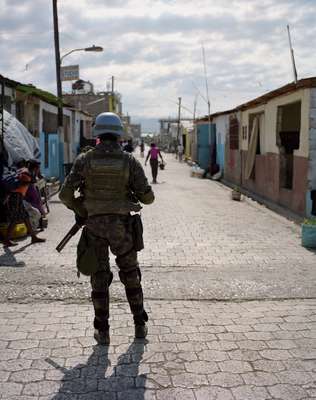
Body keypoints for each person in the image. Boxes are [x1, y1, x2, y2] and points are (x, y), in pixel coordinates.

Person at [59, 112, 155, 345]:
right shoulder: (129, 161)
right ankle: (139, 325)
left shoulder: (84, 160)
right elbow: (148, 198)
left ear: (97, 133)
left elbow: (64, 195)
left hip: (94, 227)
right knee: (131, 274)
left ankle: (102, 332)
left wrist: (82, 210)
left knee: (99, 278)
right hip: (122, 228)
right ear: (119, 133)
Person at [3, 166, 46, 247]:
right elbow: (25, 183)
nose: (38, 169)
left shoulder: (23, 171)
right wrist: (31, 180)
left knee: (25, 216)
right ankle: (7, 240)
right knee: (14, 219)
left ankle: (33, 237)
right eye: (38, 168)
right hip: (15, 196)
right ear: (34, 168)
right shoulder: (26, 173)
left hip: (17, 196)